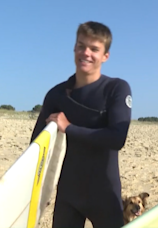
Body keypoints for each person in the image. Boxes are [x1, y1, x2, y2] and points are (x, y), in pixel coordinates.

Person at [29, 21, 132, 228]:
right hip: (68, 194)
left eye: (94, 49)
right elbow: (36, 146)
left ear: (105, 56)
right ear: (74, 48)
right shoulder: (57, 94)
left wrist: (69, 128)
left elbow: (117, 137)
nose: (86, 53)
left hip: (105, 194)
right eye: (81, 46)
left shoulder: (116, 89)